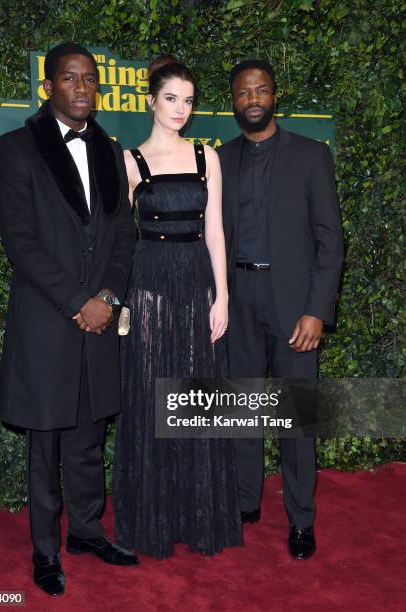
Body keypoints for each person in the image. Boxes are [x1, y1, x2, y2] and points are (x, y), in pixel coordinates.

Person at [0, 42, 138, 597]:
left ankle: (85, 532)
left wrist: (107, 296)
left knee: (88, 435)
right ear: (49, 85)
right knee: (46, 441)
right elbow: (22, 244)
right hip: (50, 320)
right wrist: (80, 301)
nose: (82, 88)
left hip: (100, 317)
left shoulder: (110, 148)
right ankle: (45, 550)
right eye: (69, 78)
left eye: (90, 80)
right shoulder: (16, 148)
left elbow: (124, 235)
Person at [113, 56, 243, 558]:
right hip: (147, 285)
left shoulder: (207, 157)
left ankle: (199, 515)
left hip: (197, 285)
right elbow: (122, 240)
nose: (180, 110)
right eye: (171, 99)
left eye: (188, 101)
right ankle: (154, 520)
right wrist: (119, 302)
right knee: (151, 400)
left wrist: (223, 296)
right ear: (150, 100)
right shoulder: (130, 162)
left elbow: (215, 231)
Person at [218, 59, 344, 559]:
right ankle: (246, 501)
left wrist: (317, 309)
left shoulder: (311, 156)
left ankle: (300, 519)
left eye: (261, 90)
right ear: (232, 102)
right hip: (237, 298)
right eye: (243, 92)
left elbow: (330, 241)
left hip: (293, 303)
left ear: (275, 96)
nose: (252, 98)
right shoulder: (219, 161)